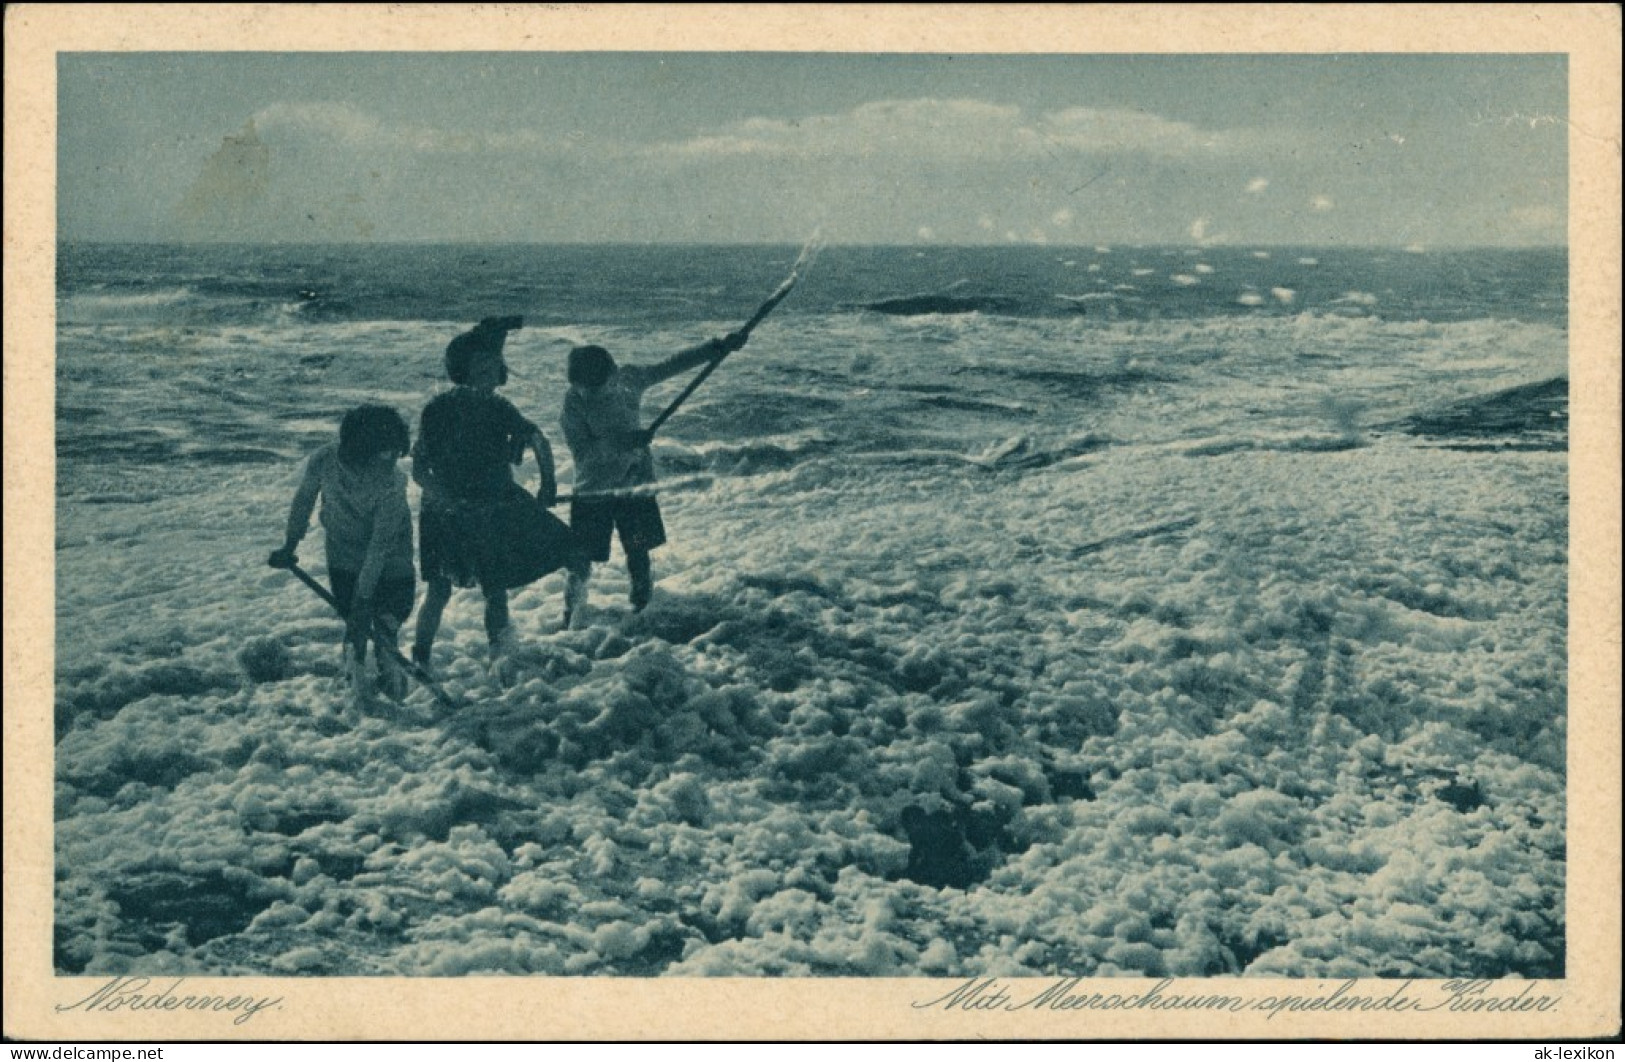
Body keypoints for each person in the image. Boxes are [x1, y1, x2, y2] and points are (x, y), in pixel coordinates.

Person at [411, 316, 584, 681]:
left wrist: (548, 484)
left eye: (494, 366)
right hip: (445, 513)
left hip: (492, 505)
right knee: (438, 590)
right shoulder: (438, 410)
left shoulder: (499, 408)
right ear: (461, 371)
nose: (490, 374)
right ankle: (420, 661)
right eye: (481, 368)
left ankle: (502, 662)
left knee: (497, 588)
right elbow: (419, 470)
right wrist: (444, 499)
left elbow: (538, 439)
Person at [560, 329, 746, 625]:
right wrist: (620, 443)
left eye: (597, 388)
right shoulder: (573, 402)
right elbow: (582, 453)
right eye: (583, 388)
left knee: (639, 550)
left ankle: (641, 609)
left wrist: (717, 347)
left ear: (614, 374)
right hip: (593, 490)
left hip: (636, 483)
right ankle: (571, 616)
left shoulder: (629, 380)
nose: (589, 394)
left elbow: (671, 365)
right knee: (580, 559)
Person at [269, 404, 415, 711]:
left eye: (395, 455)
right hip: (343, 554)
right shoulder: (324, 461)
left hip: (391, 558)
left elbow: (379, 548)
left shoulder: (392, 485)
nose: (391, 463)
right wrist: (290, 543)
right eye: (384, 455)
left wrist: (364, 599)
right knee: (354, 625)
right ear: (358, 451)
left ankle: (395, 690)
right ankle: (356, 692)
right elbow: (304, 499)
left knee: (387, 622)